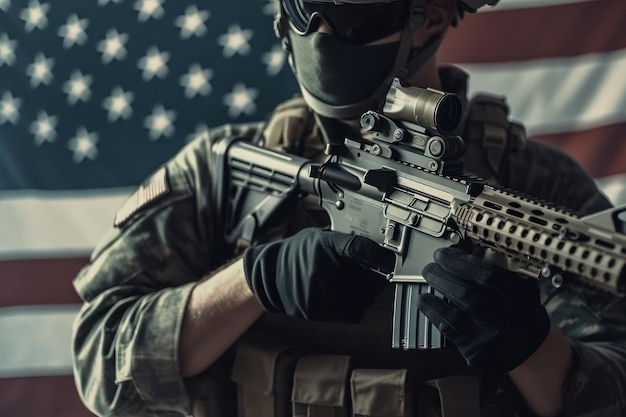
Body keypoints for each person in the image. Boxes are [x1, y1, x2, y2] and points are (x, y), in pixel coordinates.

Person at [70, 0, 626, 416]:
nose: (320, 29)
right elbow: (101, 363)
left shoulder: (532, 183)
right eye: (301, 6)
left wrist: (535, 352)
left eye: (351, 10)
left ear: (430, 17)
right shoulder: (224, 170)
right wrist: (251, 283)